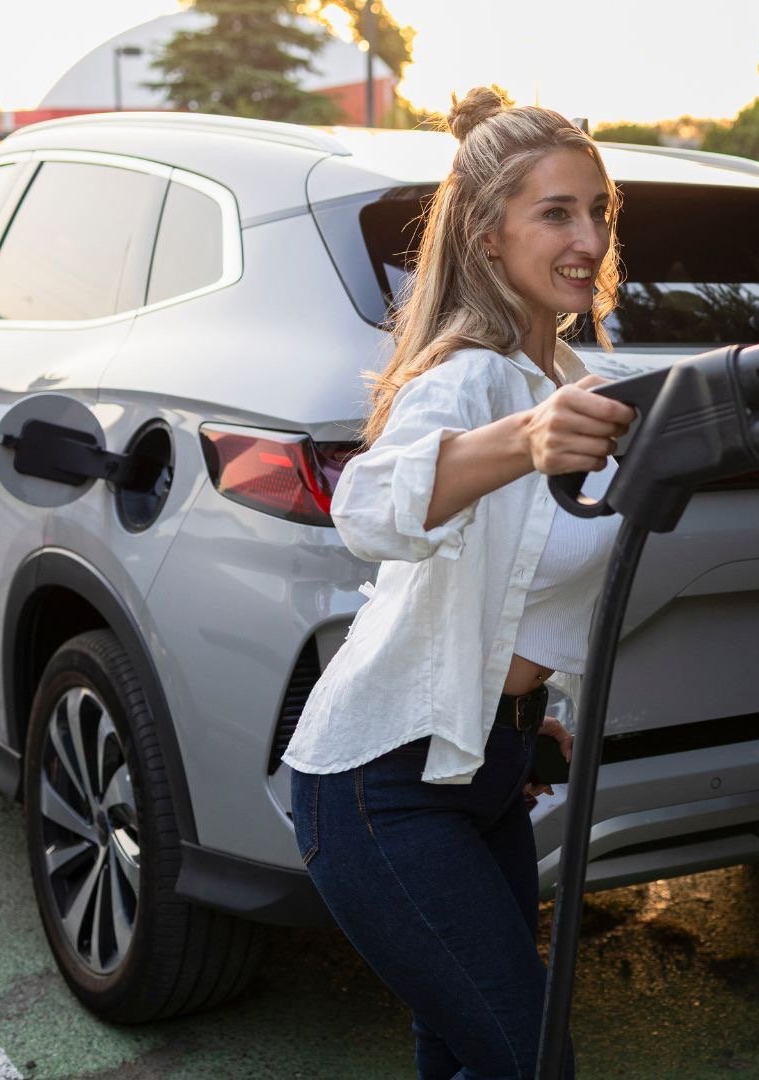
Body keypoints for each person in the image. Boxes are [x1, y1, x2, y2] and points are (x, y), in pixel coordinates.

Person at [281, 87, 637, 1079]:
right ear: (488, 237)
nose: (588, 237)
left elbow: (531, 576)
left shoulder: (569, 376)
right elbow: (364, 508)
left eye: (599, 210)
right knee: (530, 1061)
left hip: (487, 765)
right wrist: (523, 442)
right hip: (379, 785)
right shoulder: (470, 379)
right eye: (556, 212)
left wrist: (532, 709)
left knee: (466, 1055)